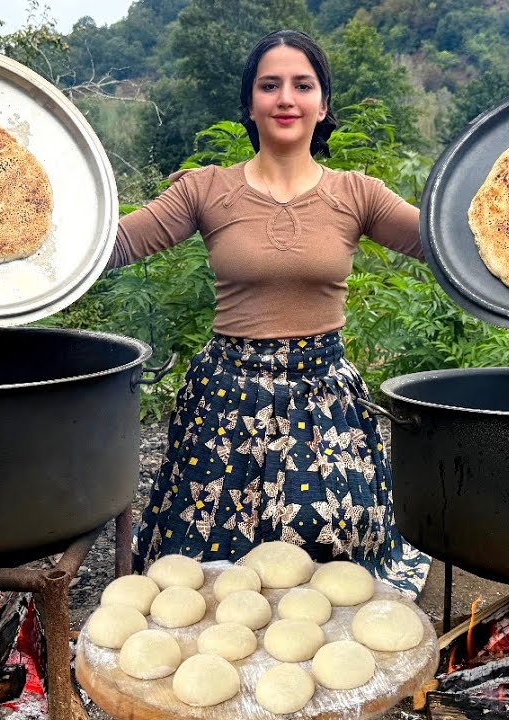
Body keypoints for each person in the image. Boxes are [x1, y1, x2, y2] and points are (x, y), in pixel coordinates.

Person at [109, 29, 430, 597]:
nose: (286, 98)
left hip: (322, 395)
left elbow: (448, 244)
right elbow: (112, 246)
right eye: (269, 85)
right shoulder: (205, 190)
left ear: (322, 104)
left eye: (302, 85)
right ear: (250, 103)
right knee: (203, 577)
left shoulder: (358, 193)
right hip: (225, 398)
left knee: (332, 573)